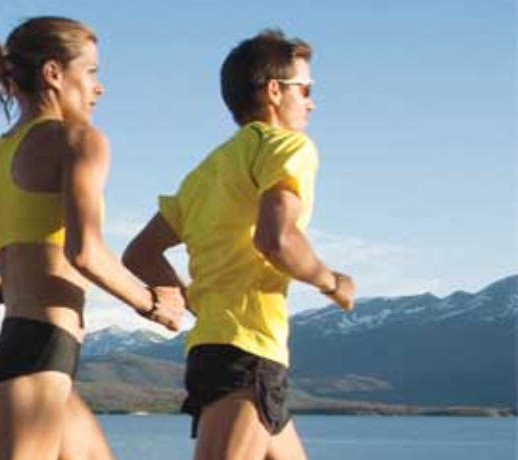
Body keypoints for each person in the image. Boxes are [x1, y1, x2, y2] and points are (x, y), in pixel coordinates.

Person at [0, 16, 186, 460]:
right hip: (38, 359)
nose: (99, 88)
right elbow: (85, 252)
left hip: (31, 354)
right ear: (54, 73)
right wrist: (151, 303)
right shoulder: (78, 140)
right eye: (90, 71)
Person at [122, 29, 356, 460]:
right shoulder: (288, 146)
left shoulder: (207, 171)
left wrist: (192, 300)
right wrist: (332, 282)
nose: (311, 102)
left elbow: (141, 253)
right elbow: (277, 240)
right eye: (305, 89)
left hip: (215, 348)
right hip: (248, 350)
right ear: (274, 91)